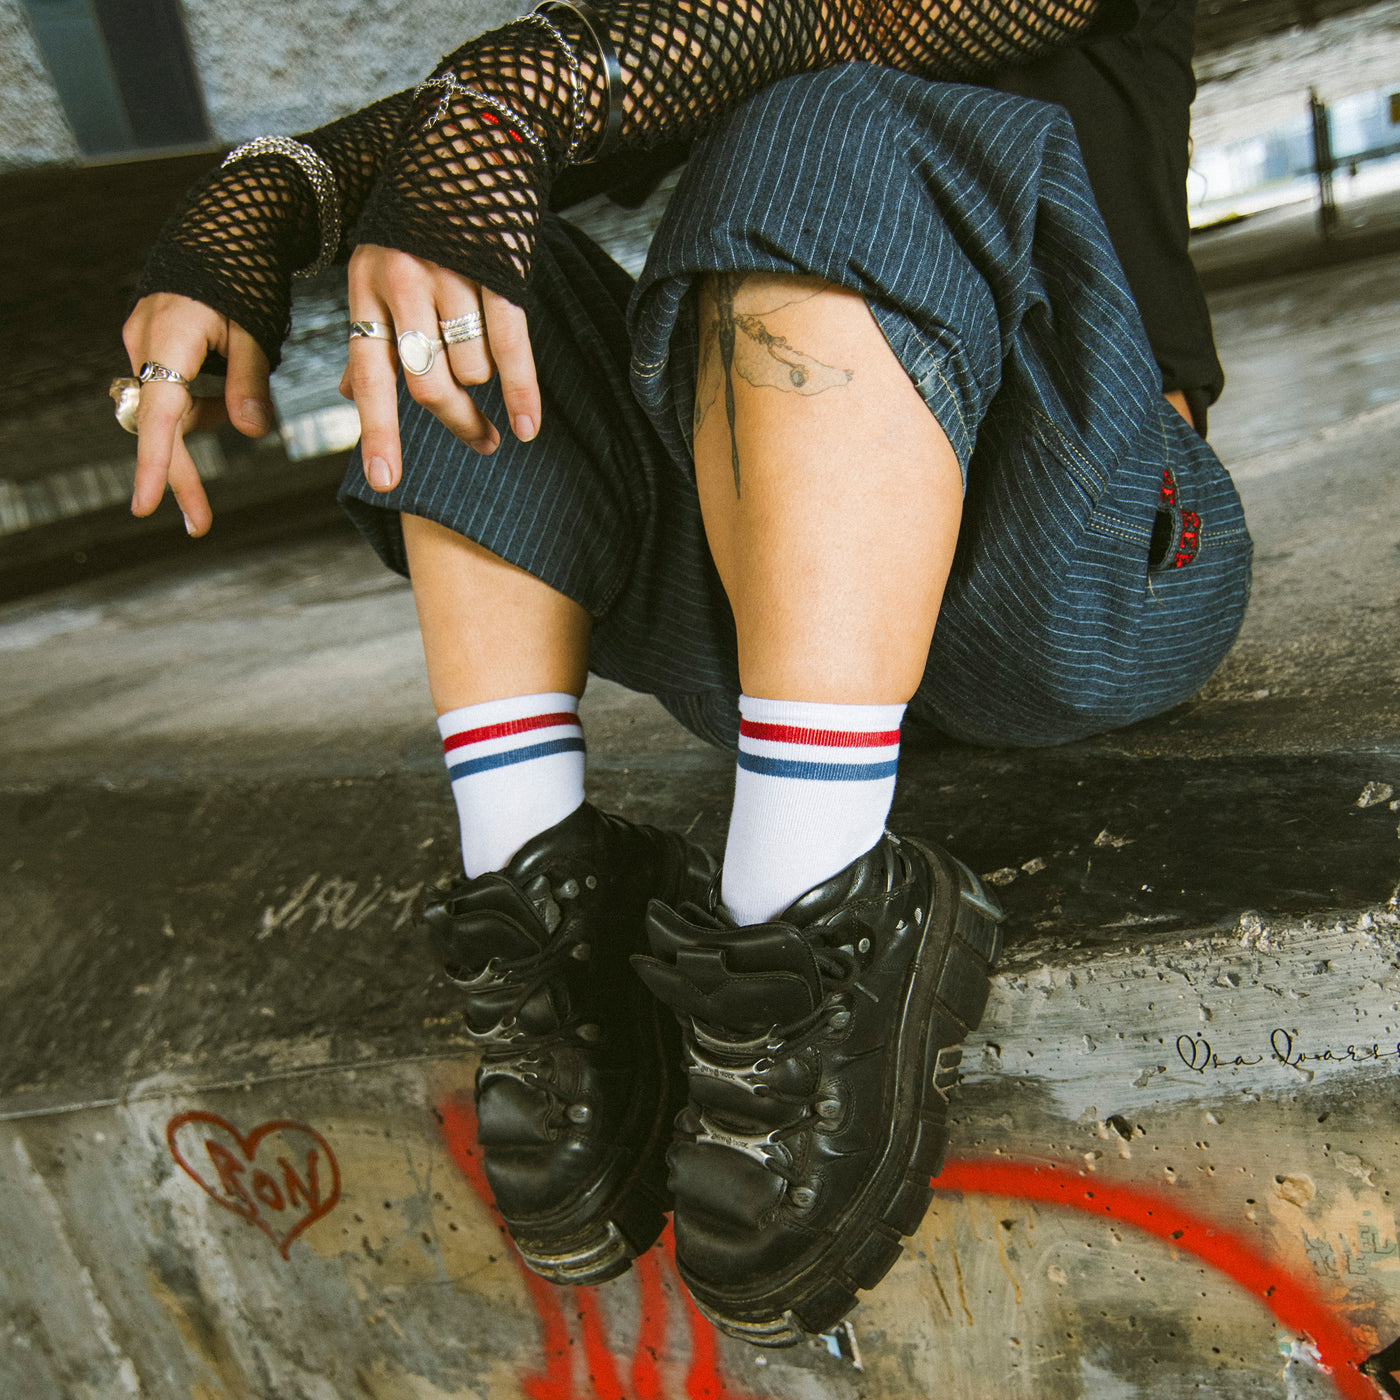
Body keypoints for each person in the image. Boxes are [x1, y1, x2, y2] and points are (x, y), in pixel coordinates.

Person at [118, 0, 1250, 1347]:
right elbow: (553, 111)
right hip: (785, 617)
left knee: (817, 125)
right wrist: (265, 200)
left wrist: (500, 104)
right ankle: (551, 901)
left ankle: (808, 905)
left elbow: (794, 29)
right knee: (459, 263)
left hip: (1080, 570)